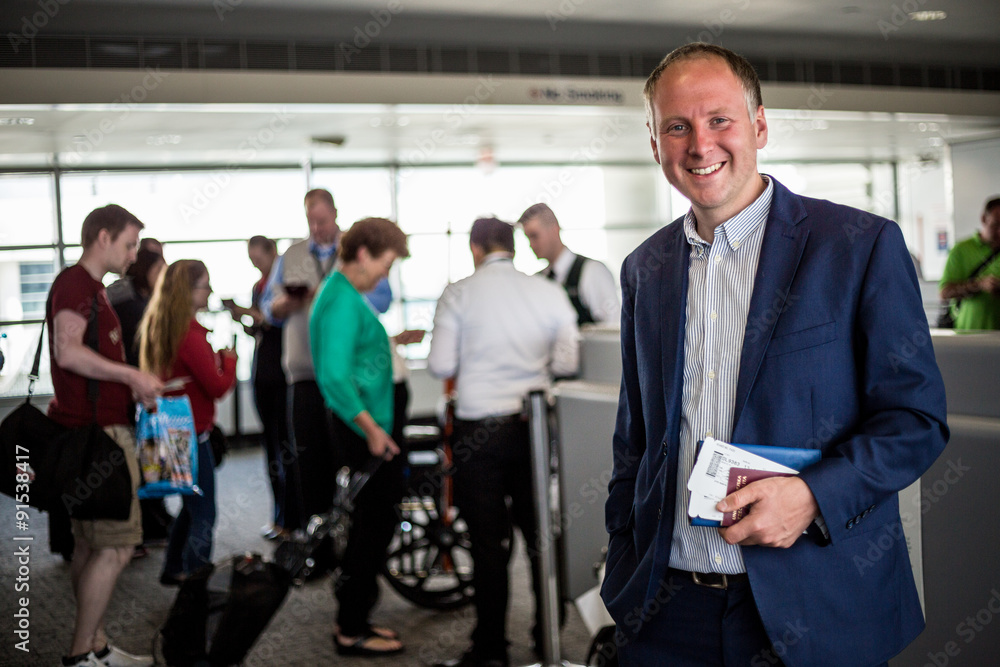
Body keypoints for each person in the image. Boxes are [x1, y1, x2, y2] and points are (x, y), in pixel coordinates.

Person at [601, 43, 949, 666]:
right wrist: (623, 560)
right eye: (676, 126)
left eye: (719, 120)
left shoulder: (858, 246)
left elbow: (916, 421)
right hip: (666, 608)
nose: (700, 145)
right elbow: (637, 438)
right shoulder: (644, 269)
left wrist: (813, 495)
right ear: (655, 142)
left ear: (759, 125)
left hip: (817, 601)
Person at [428, 217, 579, 667]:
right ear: (512, 247)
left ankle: (491, 649)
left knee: (486, 543)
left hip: (478, 432)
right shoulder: (547, 291)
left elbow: (439, 365)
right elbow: (569, 359)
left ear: (476, 248)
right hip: (531, 425)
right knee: (539, 537)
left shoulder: (458, 292)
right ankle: (547, 634)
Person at [47, 204, 162, 667]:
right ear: (102, 237)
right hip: (98, 437)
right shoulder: (76, 285)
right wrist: (131, 377)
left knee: (92, 545)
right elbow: (68, 352)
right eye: (129, 243)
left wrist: (130, 385)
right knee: (115, 546)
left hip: (95, 430)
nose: (134, 254)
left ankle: (94, 645)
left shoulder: (91, 289)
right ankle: (81, 654)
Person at [309, 217, 410, 657]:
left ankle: (356, 618)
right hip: (362, 432)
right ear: (364, 253)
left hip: (366, 428)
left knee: (373, 524)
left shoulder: (343, 294)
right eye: (385, 265)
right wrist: (371, 430)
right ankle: (351, 627)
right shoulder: (343, 300)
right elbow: (333, 375)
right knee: (373, 527)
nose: (385, 275)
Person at [138, 259, 237, 585]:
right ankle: (196, 585)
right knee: (205, 513)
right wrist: (229, 360)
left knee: (190, 505)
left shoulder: (160, 326)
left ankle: (173, 568)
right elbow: (217, 387)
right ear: (187, 291)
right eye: (204, 285)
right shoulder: (190, 335)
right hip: (192, 435)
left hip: (170, 431)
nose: (208, 291)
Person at [260, 188, 342, 535]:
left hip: (343, 374)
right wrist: (283, 305)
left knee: (343, 458)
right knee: (306, 461)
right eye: (311, 220)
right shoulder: (291, 255)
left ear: (335, 215)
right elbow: (268, 308)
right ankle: (314, 541)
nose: (316, 226)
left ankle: (346, 537)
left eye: (322, 220)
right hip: (303, 374)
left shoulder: (353, 252)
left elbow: (381, 300)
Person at [224, 235, 290, 541]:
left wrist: (253, 315)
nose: (255, 264)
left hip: (282, 372)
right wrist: (243, 319)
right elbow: (260, 329)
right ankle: (278, 516)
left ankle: (289, 517)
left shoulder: (282, 288)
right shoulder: (258, 287)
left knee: (284, 446)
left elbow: (277, 323)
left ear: (272, 253)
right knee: (271, 446)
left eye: (258, 259)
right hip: (262, 370)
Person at [108, 248, 172, 554]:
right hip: (133, 391)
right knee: (145, 459)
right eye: (160, 265)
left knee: (148, 458)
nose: (165, 270)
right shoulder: (133, 304)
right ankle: (145, 528)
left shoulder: (131, 296)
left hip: (135, 389)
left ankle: (153, 523)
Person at [517, 202, 620, 326]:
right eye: (527, 238)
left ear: (554, 229)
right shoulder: (538, 280)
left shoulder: (591, 271)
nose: (531, 245)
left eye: (534, 236)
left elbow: (613, 326)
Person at [939, 196, 1000, 330]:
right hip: (969, 336)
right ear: (984, 219)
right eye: (996, 225)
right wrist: (979, 285)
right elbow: (945, 293)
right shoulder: (961, 250)